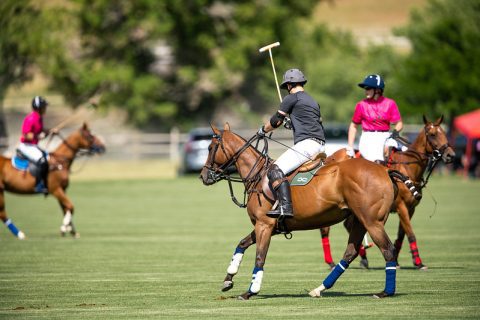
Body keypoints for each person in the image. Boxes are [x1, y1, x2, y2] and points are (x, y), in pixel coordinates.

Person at [257, 68, 326, 219]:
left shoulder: (291, 98)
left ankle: (285, 206)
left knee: (274, 169)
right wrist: (292, 124)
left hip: (306, 145)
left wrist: (263, 130)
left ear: (289, 85)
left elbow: (275, 121)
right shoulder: (313, 101)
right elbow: (311, 122)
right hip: (320, 144)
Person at [346, 74, 403, 163]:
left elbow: (399, 123)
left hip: (386, 136)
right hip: (368, 139)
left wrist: (393, 136)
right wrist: (350, 147)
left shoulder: (390, 103)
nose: (366, 91)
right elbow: (353, 126)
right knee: (376, 163)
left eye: (368, 88)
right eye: (365, 89)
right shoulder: (361, 105)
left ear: (377, 90)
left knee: (408, 154)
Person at [17, 96, 51, 194]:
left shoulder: (39, 118)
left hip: (33, 146)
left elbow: (40, 130)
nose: (45, 109)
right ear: (38, 108)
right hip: (26, 146)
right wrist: (39, 136)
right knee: (42, 159)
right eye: (44, 107)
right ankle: (38, 185)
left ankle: (45, 182)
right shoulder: (31, 118)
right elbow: (26, 135)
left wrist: (50, 131)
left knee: (47, 157)